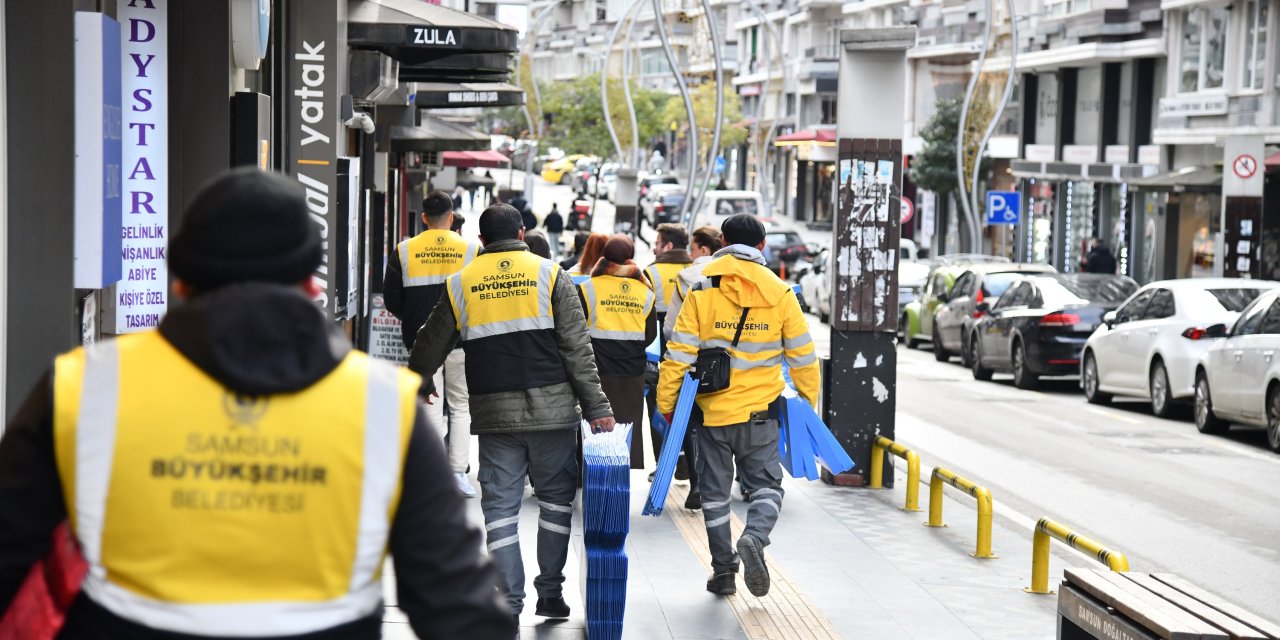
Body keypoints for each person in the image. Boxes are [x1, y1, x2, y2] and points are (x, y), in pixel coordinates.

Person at [0, 168, 514, 639]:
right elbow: (456, 608)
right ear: (311, 283)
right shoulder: (384, 408)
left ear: (179, 281)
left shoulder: (83, 388)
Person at [408, 203, 615, 622]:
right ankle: (550, 594)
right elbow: (577, 349)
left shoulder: (461, 283)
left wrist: (421, 379)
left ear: (481, 240)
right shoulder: (551, 274)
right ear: (522, 232)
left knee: (499, 511)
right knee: (556, 504)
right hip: (553, 413)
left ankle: (508, 603)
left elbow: (429, 342)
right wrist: (597, 408)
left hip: (494, 416)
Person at [657, 213, 820, 599]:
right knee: (767, 487)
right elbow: (803, 357)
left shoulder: (701, 287)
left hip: (710, 414)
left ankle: (724, 572)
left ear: (723, 240)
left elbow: (677, 353)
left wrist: (667, 404)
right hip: (761, 413)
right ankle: (755, 536)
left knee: (714, 496)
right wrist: (807, 404)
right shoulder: (780, 292)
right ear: (762, 246)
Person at [382, 190, 479, 497]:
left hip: (420, 342)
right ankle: (457, 474)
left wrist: (414, 321)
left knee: (429, 404)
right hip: (462, 341)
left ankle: (432, 473)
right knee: (461, 404)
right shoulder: (472, 249)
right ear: (451, 218)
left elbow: (392, 300)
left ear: (424, 218)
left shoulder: (404, 250)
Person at [656, 225, 724, 510]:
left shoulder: (688, 278)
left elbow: (671, 330)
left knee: (693, 425)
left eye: (694, 249)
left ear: (703, 250)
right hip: (733, 365)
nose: (691, 255)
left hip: (696, 366)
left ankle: (698, 483)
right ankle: (723, 485)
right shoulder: (740, 275)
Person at [578, 235, 658, 469]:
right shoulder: (645, 291)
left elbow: (577, 328)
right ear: (630, 258)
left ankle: (591, 475)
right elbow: (650, 334)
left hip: (595, 369)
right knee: (627, 424)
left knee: (594, 426)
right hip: (632, 371)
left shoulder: (588, 287)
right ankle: (619, 479)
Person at [644, 224, 694, 473]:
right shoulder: (696, 270)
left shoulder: (651, 273)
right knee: (691, 406)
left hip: (662, 352)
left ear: (668, 246)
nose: (654, 248)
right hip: (695, 351)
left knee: (659, 405)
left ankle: (664, 463)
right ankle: (689, 457)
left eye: (657, 243)